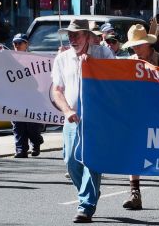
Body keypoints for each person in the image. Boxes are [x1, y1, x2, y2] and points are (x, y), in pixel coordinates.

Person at [49, 19, 115, 223]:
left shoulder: (102, 53)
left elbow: (116, 78)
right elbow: (56, 90)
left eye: (76, 34)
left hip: (97, 118)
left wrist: (95, 65)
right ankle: (89, 194)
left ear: (87, 36)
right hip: (73, 117)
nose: (72, 38)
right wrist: (67, 110)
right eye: (70, 35)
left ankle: (86, 205)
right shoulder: (62, 58)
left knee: (91, 161)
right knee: (70, 160)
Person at [120, 24, 159, 210]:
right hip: (138, 114)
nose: (135, 49)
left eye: (138, 45)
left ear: (147, 44)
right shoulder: (129, 62)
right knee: (133, 151)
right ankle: (135, 193)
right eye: (133, 46)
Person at [10, 33, 45, 158]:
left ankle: (37, 141)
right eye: (15, 43)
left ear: (26, 44)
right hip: (15, 97)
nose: (17, 45)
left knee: (32, 126)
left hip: (33, 97)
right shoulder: (8, 58)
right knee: (18, 125)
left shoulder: (34, 59)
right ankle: (21, 149)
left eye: (20, 43)